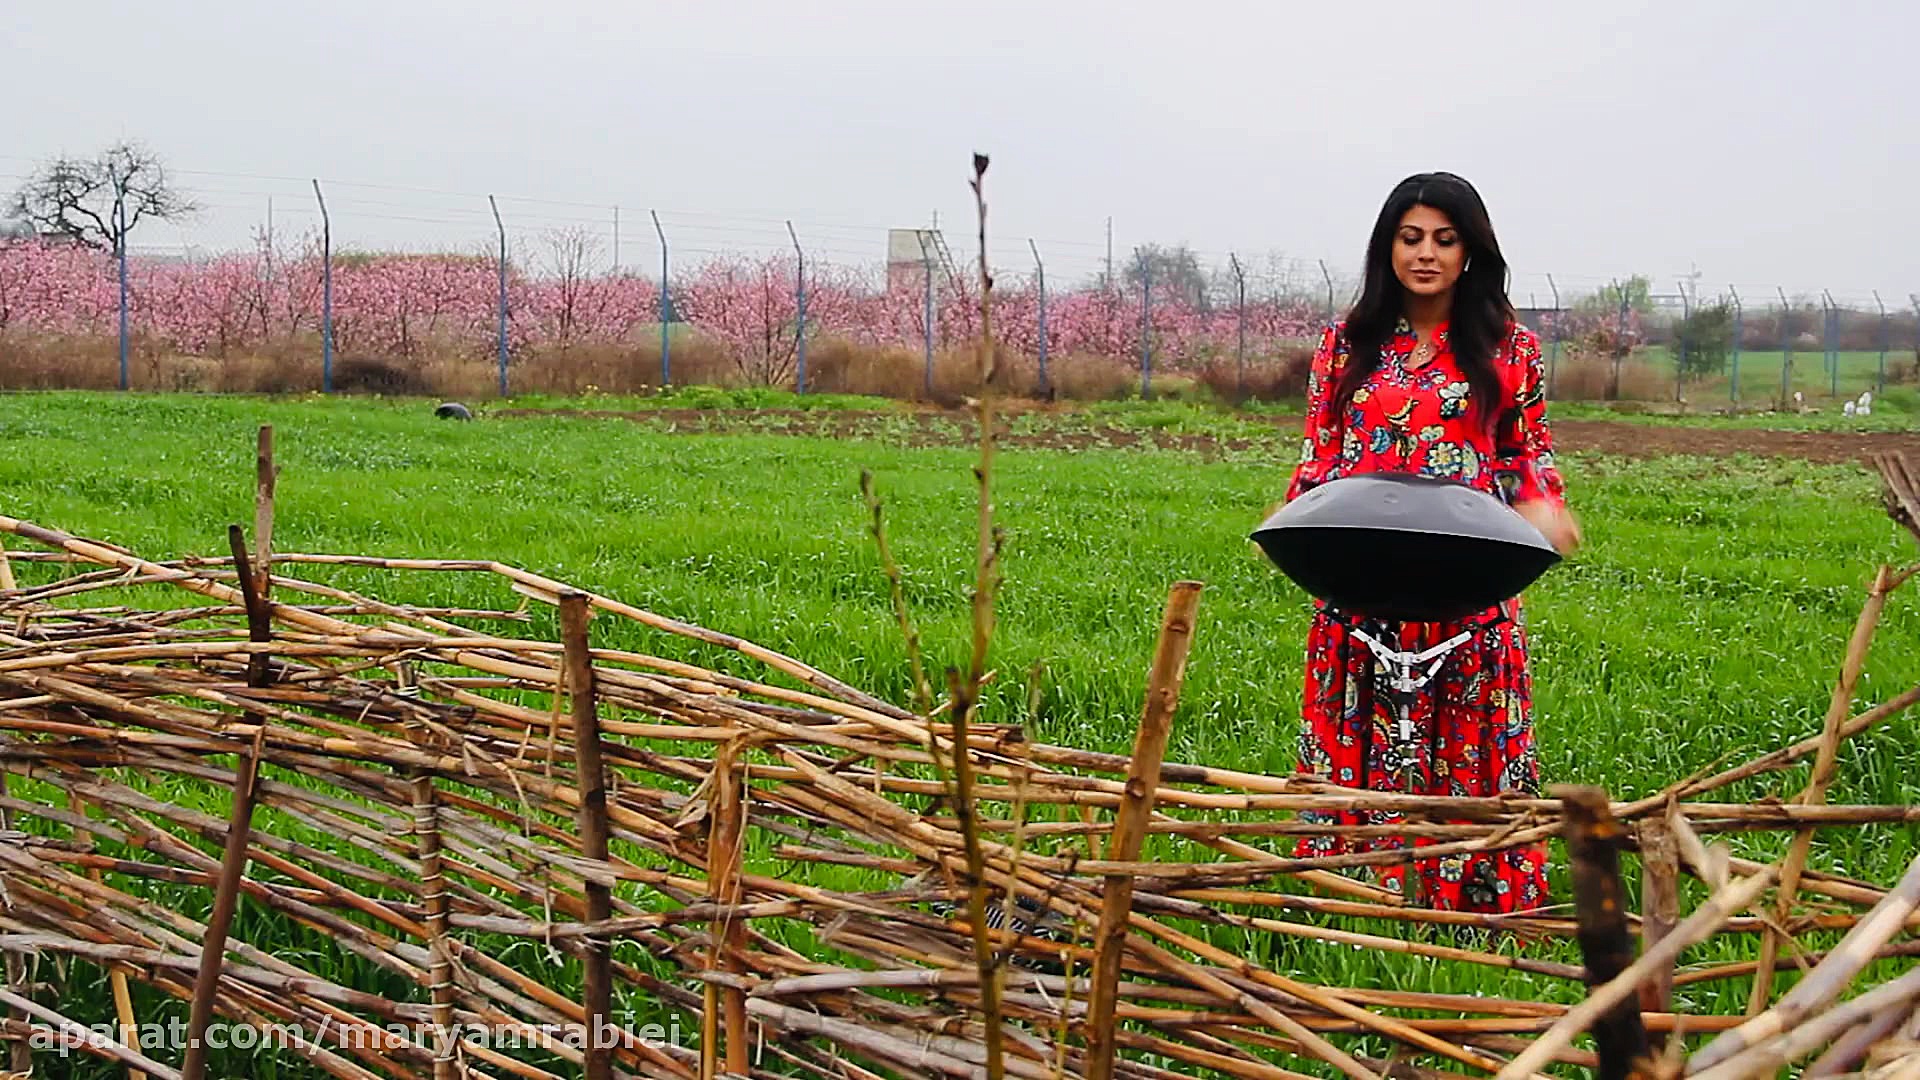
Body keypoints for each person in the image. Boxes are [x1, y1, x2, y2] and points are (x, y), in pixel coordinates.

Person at [1284, 171, 1581, 914]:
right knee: (1357, 721)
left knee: (1469, 729)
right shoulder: (1344, 345)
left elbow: (1525, 452)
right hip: (1363, 571)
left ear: (1470, 251)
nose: (1426, 255)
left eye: (1444, 241)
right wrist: (1292, 518)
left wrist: (1543, 507)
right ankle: (1351, 892)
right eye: (1410, 238)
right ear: (1387, 247)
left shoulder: (1510, 348)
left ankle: (1470, 894)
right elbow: (1321, 454)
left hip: (1468, 573)